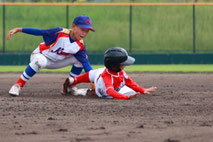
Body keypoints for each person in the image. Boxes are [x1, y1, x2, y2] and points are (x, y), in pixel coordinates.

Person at [8, 15, 95, 96]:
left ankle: (69, 87)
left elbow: (86, 64)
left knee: (81, 60)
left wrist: (94, 80)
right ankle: (18, 85)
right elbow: (40, 32)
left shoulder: (80, 45)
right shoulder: (60, 33)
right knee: (40, 61)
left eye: (87, 31)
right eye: (82, 29)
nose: (84, 33)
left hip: (57, 62)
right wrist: (19, 29)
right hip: (41, 56)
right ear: (73, 26)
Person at [63, 47, 157, 100]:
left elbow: (129, 82)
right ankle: (81, 90)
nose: (125, 65)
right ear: (115, 66)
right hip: (101, 88)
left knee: (88, 75)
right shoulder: (107, 77)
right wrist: (125, 97)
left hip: (98, 73)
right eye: (123, 64)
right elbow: (111, 92)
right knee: (94, 92)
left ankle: (73, 80)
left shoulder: (119, 72)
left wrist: (142, 90)